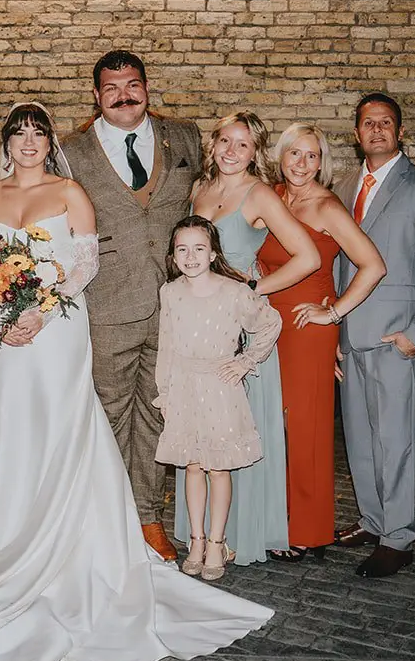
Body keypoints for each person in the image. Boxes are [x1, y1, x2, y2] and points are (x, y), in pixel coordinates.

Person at [0, 103, 272, 661]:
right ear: (7, 142)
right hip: (5, 333)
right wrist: (0, 314)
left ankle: (76, 537)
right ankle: (9, 533)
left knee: (60, 421)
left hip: (57, 328)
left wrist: (39, 311)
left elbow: (83, 266)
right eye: (18, 133)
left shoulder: (71, 193)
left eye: (37, 133)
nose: (28, 141)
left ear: (49, 140)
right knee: (12, 426)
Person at [60, 51, 202, 561]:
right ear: (96, 95)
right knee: (106, 415)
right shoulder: (70, 150)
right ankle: (105, 520)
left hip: (173, 304)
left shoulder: (184, 137)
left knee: (159, 417)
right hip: (105, 304)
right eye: (112, 87)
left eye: (133, 84)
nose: (124, 95)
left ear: (147, 86)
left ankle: (147, 519)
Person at [331, 92, 415, 579]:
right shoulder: (343, 187)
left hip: (396, 339)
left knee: (396, 439)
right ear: (358, 133)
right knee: (360, 439)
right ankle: (372, 520)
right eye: (369, 123)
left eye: (387, 122)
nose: (378, 130)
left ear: (400, 132)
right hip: (349, 335)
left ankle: (399, 537)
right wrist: (333, 338)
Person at [179, 112, 319, 566]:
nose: (232, 152)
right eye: (225, 141)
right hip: (200, 322)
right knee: (205, 427)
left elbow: (308, 256)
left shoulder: (259, 194)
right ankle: (205, 532)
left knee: (240, 424)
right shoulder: (200, 190)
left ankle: (242, 529)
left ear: (255, 152)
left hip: (238, 324)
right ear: (213, 144)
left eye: (243, 145)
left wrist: (252, 289)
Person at [258, 122, 386, 562]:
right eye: (295, 153)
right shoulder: (269, 196)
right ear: (281, 155)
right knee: (271, 423)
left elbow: (373, 265)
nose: (302, 164)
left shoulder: (327, 206)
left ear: (322, 163)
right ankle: (274, 517)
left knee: (305, 427)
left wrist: (333, 312)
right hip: (266, 322)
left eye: (312, 156)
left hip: (307, 325)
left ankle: (308, 530)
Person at [154, 216, 282, 581]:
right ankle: (195, 540)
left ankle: (216, 541)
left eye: (199, 249)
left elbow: (270, 323)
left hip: (219, 387)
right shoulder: (171, 292)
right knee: (192, 465)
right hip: (183, 385)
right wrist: (164, 392)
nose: (190, 256)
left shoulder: (234, 291)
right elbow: (166, 344)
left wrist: (245, 361)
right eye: (182, 250)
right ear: (173, 256)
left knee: (218, 467)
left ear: (213, 254)